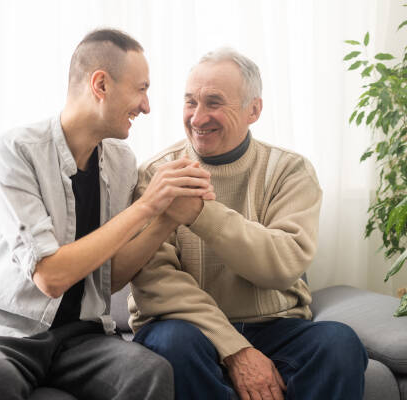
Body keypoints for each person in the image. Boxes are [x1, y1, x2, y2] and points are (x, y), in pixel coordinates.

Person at [0, 28, 215, 400]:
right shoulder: (14, 152)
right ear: (100, 84)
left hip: (79, 338)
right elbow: (50, 276)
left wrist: (166, 218)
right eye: (141, 89)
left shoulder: (121, 163)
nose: (146, 106)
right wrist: (146, 205)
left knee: (149, 373)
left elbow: (108, 278)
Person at [128, 48, 368, 400]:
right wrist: (234, 348)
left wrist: (200, 213)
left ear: (253, 110)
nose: (197, 117)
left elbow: (282, 264)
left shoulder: (291, 171)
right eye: (190, 101)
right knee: (173, 342)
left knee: (339, 343)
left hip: (274, 327)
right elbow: (155, 283)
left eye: (213, 103)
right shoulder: (156, 175)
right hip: (188, 330)